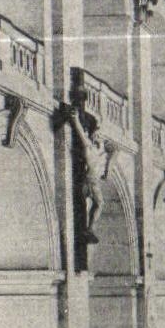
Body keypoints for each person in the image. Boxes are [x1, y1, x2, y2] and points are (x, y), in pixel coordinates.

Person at [62, 101, 104, 243]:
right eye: (97, 135)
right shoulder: (89, 147)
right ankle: (89, 229)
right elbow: (81, 134)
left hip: (92, 181)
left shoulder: (97, 150)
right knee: (99, 204)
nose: (99, 137)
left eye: (99, 136)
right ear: (92, 135)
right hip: (90, 182)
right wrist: (75, 120)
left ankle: (89, 229)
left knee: (94, 205)